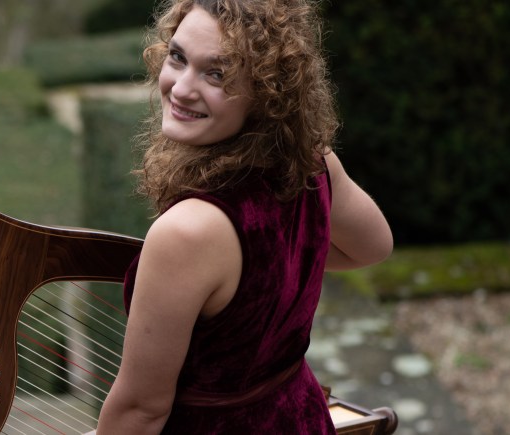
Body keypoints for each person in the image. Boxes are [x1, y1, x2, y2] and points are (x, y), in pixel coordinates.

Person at [94, 0, 393, 433]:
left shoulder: (187, 232)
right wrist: (276, 267)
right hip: (301, 418)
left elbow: (141, 410)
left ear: (268, 93)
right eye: (177, 58)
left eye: (216, 74)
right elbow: (373, 246)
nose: (180, 89)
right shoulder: (313, 165)